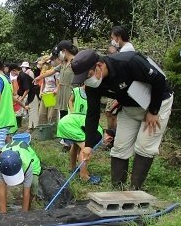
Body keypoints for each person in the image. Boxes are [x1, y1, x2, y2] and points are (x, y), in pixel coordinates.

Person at [71, 49, 173, 191]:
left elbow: (158, 79)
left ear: (99, 66)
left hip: (157, 102)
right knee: (120, 146)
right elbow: (92, 114)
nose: (87, 81)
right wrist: (88, 144)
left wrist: (153, 111)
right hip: (129, 107)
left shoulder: (128, 61)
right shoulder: (92, 85)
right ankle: (117, 189)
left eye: (88, 75)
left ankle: (134, 189)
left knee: (144, 146)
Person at [0, 57, 27, 156]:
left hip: (0, 121)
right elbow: (11, 97)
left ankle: (12, 167)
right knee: (8, 146)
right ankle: (15, 167)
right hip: (8, 120)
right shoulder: (6, 80)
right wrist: (24, 106)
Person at [0, 140, 42, 213]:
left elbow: (26, 192)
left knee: (34, 183)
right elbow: (2, 191)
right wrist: (3, 214)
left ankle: (28, 206)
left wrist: (23, 214)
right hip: (9, 159)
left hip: (31, 161)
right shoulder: (0, 164)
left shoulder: (27, 164)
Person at [9, 63, 40, 133]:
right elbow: (21, 90)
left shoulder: (23, 76)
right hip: (30, 93)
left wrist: (21, 99)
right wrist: (16, 97)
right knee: (31, 110)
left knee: (33, 110)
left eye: (11, 71)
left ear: (14, 70)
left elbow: (27, 89)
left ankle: (35, 127)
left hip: (34, 92)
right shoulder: (19, 77)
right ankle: (31, 127)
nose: (11, 73)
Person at [38, 55, 58, 125]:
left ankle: (53, 132)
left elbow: (59, 83)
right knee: (41, 114)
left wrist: (56, 90)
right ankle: (43, 130)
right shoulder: (43, 72)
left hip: (52, 95)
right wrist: (41, 91)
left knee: (51, 116)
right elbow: (43, 83)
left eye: (45, 64)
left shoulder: (55, 71)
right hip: (45, 94)